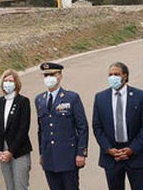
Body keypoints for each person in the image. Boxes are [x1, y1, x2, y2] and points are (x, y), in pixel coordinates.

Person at [92, 62, 143, 190]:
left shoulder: (141, 96)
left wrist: (132, 148)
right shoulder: (100, 98)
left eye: (116, 74)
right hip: (112, 157)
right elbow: (97, 127)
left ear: (125, 76)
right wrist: (108, 149)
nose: (113, 77)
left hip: (136, 155)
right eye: (110, 75)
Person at [34, 61, 88, 190]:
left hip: (68, 157)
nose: (48, 78)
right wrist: (42, 153)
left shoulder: (71, 98)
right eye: (45, 76)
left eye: (51, 75)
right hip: (49, 157)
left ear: (60, 76)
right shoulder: (39, 99)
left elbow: (82, 127)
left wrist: (81, 153)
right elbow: (41, 130)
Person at [0, 69, 32, 190]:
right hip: (3, 151)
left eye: (10, 81)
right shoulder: (0, 102)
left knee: (20, 185)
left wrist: (11, 151)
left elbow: (23, 128)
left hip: (18, 150)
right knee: (10, 186)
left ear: (16, 84)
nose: (7, 83)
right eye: (5, 80)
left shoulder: (23, 101)